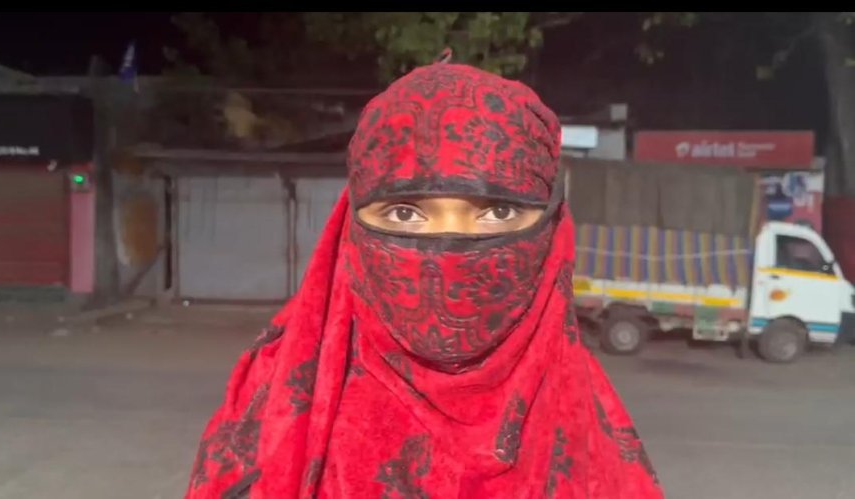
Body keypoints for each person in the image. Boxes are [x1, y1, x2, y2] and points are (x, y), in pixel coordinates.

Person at [186, 60, 663, 499]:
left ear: (552, 228)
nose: (449, 248)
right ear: (351, 227)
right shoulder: (274, 413)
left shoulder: (589, 428)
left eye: (498, 212)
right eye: (405, 212)